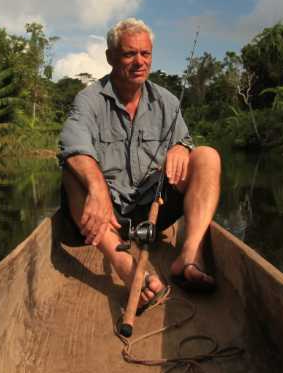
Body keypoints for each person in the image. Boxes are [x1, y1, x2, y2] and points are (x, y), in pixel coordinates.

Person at [58, 18, 222, 311]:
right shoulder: (89, 100)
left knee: (207, 155)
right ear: (110, 57)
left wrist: (182, 149)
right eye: (129, 54)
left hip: (152, 211)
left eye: (145, 54)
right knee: (72, 173)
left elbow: (185, 141)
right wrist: (97, 188)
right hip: (106, 215)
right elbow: (72, 145)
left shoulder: (167, 102)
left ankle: (188, 256)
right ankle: (126, 266)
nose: (139, 62)